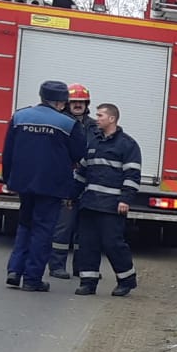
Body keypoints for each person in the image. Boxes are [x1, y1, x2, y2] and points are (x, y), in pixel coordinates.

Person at [2, 80, 85, 291]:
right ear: (61, 102)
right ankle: (32, 278)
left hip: (23, 182)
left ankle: (14, 270)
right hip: (52, 185)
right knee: (43, 230)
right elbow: (78, 153)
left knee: (25, 224)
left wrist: (8, 180)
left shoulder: (19, 117)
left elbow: (8, 151)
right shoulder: (68, 124)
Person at [73, 102, 142, 297]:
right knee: (87, 244)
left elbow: (132, 176)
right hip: (89, 204)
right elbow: (82, 173)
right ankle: (88, 282)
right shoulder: (93, 142)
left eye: (100, 115)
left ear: (112, 119)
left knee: (113, 244)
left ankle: (126, 280)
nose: (97, 118)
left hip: (112, 206)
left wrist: (125, 199)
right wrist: (72, 195)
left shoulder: (127, 145)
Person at [49, 84, 96, 278]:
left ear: (87, 104)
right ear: (68, 103)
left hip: (88, 182)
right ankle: (57, 266)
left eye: (81, 102)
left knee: (84, 229)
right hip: (67, 182)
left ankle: (81, 268)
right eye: (74, 101)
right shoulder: (60, 122)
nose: (78, 105)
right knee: (63, 226)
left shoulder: (95, 126)